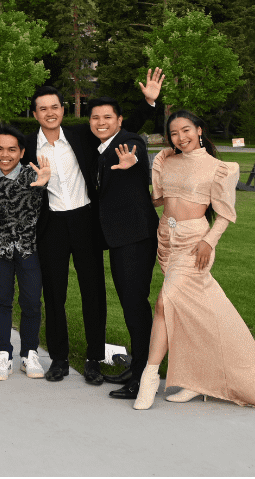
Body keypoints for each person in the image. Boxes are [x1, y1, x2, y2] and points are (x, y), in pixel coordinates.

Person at [23, 69, 164, 384]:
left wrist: (149, 103)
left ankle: (93, 359)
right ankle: (58, 359)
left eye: (55, 107)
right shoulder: (25, 145)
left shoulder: (81, 135)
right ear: (35, 114)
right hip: (52, 226)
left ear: (63, 109)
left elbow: (118, 128)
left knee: (93, 293)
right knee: (55, 294)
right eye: (43, 108)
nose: (50, 112)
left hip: (87, 222)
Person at [134, 111, 255, 409]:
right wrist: (145, 165)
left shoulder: (218, 168)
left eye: (186, 130)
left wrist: (209, 241)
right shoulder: (166, 161)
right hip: (166, 240)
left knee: (163, 303)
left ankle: (149, 376)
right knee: (188, 313)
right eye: (174, 133)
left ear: (199, 130)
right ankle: (198, 381)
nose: (181, 137)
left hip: (195, 243)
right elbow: (158, 199)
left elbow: (224, 214)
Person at [87, 97, 159, 400]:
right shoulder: (102, 148)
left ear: (119, 120)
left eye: (107, 117)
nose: (101, 122)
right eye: (95, 117)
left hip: (135, 238)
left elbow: (136, 152)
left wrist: (135, 160)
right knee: (132, 305)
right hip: (121, 238)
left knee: (135, 305)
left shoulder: (127, 142)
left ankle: (144, 375)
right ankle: (139, 366)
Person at [0, 123, 50, 382]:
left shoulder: (34, 174)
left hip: (30, 247)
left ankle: (29, 352)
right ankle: (3, 353)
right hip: (0, 246)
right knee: (2, 300)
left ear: (21, 152)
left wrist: (44, 184)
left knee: (30, 300)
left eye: (11, 150)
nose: (4, 155)